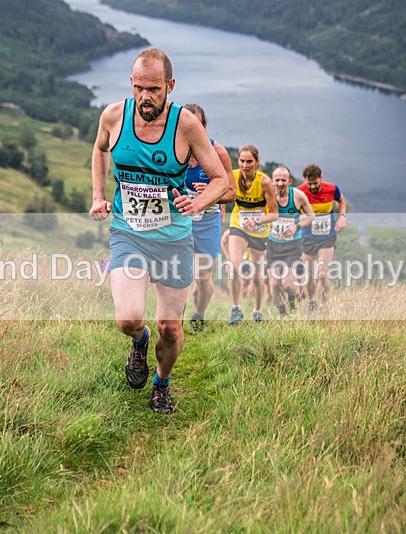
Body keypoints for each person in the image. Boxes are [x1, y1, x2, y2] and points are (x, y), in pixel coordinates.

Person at [89, 48, 231, 414]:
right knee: (127, 319)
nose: (145, 97)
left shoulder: (186, 125)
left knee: (170, 327)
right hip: (128, 232)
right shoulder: (114, 115)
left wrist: (198, 203)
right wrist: (99, 195)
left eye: (153, 89)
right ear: (131, 84)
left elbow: (220, 180)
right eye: (138, 88)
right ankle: (139, 343)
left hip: (173, 240)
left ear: (169, 85)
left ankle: (162, 384)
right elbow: (101, 149)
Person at [182, 103, 235, 334]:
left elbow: (232, 193)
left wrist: (211, 193)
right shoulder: (175, 150)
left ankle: (198, 316)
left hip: (208, 221)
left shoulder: (218, 152)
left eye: (197, 124)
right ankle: (172, 323)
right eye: (187, 124)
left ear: (204, 126)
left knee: (202, 278)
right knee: (179, 274)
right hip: (181, 220)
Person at [226, 144, 278, 324]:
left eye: (249, 161)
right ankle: (235, 308)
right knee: (233, 267)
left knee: (257, 277)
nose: (245, 165)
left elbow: (274, 213)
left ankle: (257, 311)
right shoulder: (233, 176)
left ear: (257, 163)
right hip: (238, 226)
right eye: (242, 161)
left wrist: (256, 220)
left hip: (259, 230)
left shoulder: (264, 182)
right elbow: (221, 193)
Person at [297, 163, 347, 312]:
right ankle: (312, 302)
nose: (312, 187)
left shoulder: (332, 189)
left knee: (322, 273)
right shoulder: (300, 192)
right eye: (309, 183)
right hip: (308, 237)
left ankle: (324, 306)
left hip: (327, 237)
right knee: (310, 275)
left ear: (321, 178)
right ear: (305, 181)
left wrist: (342, 216)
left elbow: (341, 200)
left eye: (315, 183)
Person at [267, 165, 314, 317]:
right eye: (277, 180)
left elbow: (311, 215)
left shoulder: (298, 196)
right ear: (272, 181)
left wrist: (296, 226)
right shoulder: (267, 196)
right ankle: (282, 313)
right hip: (273, 245)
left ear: (289, 181)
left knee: (287, 284)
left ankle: (292, 302)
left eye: (283, 180)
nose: (280, 183)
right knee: (274, 284)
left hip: (292, 245)